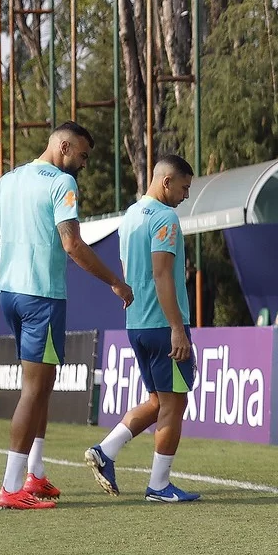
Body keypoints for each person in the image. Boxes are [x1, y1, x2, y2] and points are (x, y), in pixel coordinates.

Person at [0, 122, 131, 510]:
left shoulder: (8, 181)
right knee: (34, 388)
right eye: (83, 155)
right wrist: (114, 281)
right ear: (63, 146)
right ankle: (11, 487)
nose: (85, 164)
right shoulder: (61, 184)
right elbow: (72, 243)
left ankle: (35, 473)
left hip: (9, 293)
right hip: (41, 296)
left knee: (42, 384)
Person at [85, 155, 202, 502]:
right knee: (174, 403)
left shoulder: (131, 216)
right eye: (183, 188)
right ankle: (159, 486)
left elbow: (127, 267)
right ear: (166, 182)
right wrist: (177, 328)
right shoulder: (165, 218)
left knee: (157, 400)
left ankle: (105, 450)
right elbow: (162, 274)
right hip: (162, 324)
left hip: (136, 323)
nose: (185, 196)